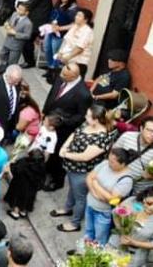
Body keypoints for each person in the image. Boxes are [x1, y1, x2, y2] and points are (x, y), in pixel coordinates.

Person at [53, 104, 115, 233]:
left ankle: (75, 223)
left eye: (88, 115)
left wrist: (65, 154)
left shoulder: (102, 137)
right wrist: (64, 147)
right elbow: (74, 134)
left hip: (83, 171)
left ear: (96, 120)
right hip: (72, 167)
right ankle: (67, 208)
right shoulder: (87, 124)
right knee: (72, 189)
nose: (85, 117)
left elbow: (85, 157)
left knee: (80, 197)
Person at [43, 62, 93, 191]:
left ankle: (57, 181)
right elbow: (51, 96)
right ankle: (46, 171)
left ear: (74, 76)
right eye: (62, 72)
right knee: (47, 148)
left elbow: (81, 116)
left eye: (65, 74)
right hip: (49, 121)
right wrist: (44, 113)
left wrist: (62, 121)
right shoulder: (61, 79)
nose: (61, 75)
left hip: (64, 130)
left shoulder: (83, 94)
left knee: (58, 155)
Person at [85, 148, 135, 245]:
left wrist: (95, 184)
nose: (109, 163)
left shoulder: (126, 180)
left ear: (122, 164)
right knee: (88, 232)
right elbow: (89, 177)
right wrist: (95, 193)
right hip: (90, 204)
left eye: (112, 162)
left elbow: (112, 199)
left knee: (99, 239)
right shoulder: (105, 164)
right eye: (109, 159)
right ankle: (86, 253)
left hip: (103, 213)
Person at [113, 117, 153, 194]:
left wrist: (150, 176)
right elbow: (113, 154)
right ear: (141, 128)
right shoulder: (127, 136)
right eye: (149, 130)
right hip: (118, 181)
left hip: (139, 190)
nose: (152, 135)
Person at [0, 2, 32, 66]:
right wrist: (7, 24)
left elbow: (27, 36)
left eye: (21, 10)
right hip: (7, 41)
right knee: (2, 54)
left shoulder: (28, 23)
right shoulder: (14, 14)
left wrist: (15, 33)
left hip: (16, 45)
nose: (18, 11)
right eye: (18, 8)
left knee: (12, 61)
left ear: (26, 12)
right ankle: (3, 66)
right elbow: (9, 21)